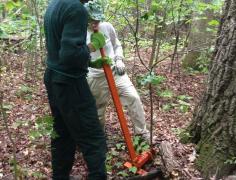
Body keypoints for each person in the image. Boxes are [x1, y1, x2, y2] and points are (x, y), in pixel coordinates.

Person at [43, 0, 108, 179]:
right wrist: (91, 47)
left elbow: (58, 49)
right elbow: (70, 55)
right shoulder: (76, 9)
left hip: (53, 78)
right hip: (70, 82)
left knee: (63, 134)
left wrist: (88, 61)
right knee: (93, 138)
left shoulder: (54, 5)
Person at [84, 0, 154, 143]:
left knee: (133, 97)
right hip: (96, 76)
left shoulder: (107, 27)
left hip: (116, 72)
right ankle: (100, 137)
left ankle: (142, 134)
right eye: (92, 20)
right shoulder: (80, 33)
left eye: (98, 19)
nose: (95, 23)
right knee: (98, 110)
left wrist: (119, 59)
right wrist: (91, 49)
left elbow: (117, 46)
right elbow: (78, 57)